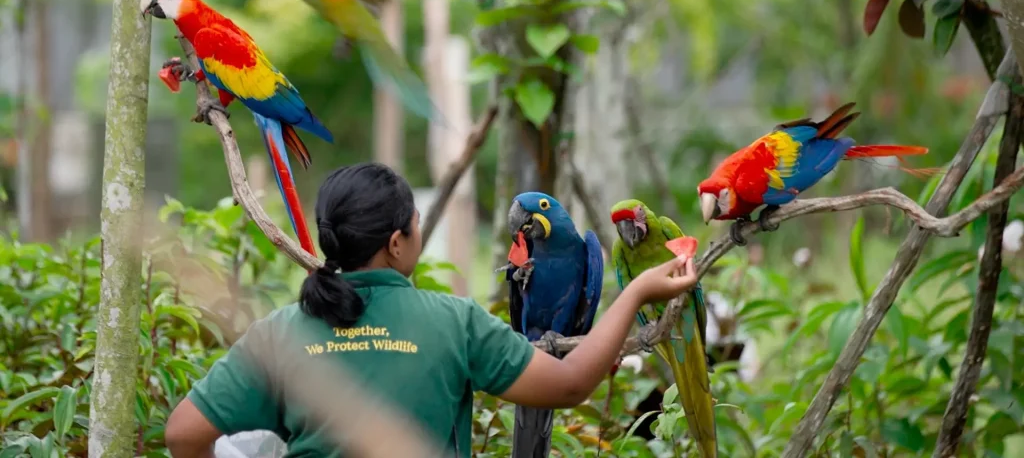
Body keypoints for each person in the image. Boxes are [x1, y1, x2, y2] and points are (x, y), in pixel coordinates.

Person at [164, 162, 700, 457]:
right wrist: (636, 295)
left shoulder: (278, 332)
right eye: (417, 224)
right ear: (398, 243)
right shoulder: (453, 321)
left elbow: (182, 434)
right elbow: (568, 386)